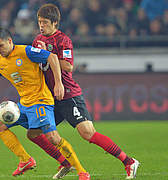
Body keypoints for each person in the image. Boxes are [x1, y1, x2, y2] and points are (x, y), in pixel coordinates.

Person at [0, 26, 90, 180]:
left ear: (10, 41)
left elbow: (53, 58)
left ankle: (82, 172)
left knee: (53, 138)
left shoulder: (27, 51)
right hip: (25, 104)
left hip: (41, 101)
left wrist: (58, 83)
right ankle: (25, 160)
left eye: (1, 45)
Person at [32, 4, 139, 179]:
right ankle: (65, 163)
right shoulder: (37, 40)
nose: (41, 26)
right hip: (49, 98)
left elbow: (68, 65)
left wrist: (47, 55)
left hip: (68, 95)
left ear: (55, 22)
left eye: (44, 22)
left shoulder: (63, 40)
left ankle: (128, 161)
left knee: (87, 133)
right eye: (39, 22)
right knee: (35, 132)